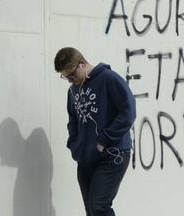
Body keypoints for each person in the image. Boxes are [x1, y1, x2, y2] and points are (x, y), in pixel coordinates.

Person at [54, 47, 136, 216]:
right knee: (91, 211)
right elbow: (73, 119)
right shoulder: (73, 89)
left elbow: (128, 112)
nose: (69, 80)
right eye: (65, 77)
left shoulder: (108, 79)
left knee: (99, 206)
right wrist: (75, 145)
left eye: (71, 75)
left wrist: (104, 140)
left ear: (82, 63)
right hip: (85, 158)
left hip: (113, 154)